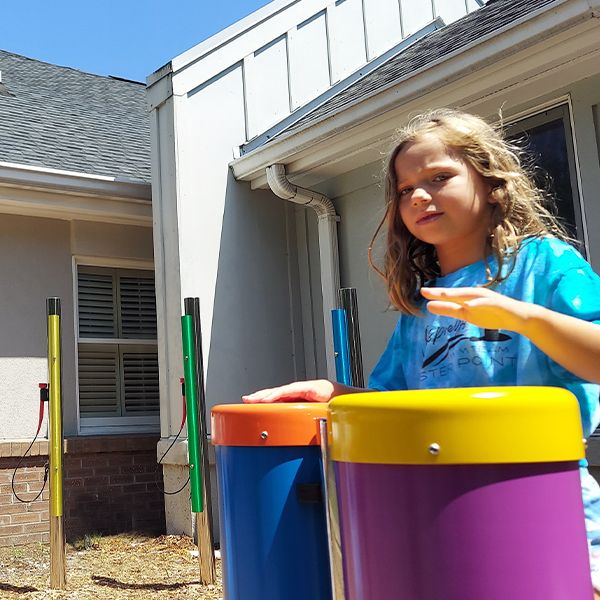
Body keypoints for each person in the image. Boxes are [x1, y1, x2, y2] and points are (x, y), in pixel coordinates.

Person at [242, 108, 600, 592]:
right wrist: (332, 391)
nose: (420, 196)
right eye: (406, 189)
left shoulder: (545, 263)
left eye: (439, 177)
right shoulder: (422, 307)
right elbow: (396, 407)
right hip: (435, 511)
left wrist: (518, 316)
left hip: (542, 502)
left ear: (492, 182)